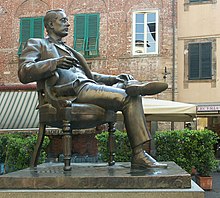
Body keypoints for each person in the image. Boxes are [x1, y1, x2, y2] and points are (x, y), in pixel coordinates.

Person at [18, 9, 168, 169]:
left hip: (87, 86)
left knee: (128, 91)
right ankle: (139, 154)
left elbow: (90, 75)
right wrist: (55, 63)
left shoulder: (71, 51)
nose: (68, 24)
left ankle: (130, 86)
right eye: (63, 20)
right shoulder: (38, 44)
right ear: (50, 24)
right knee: (128, 98)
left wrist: (114, 78)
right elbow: (23, 72)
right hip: (70, 92)